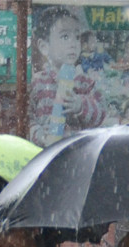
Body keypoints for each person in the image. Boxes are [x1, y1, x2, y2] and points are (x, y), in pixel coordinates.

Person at [28, 6, 104, 148]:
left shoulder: (85, 83)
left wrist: (81, 106)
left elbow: (100, 114)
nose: (73, 44)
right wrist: (39, 134)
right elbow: (27, 118)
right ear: (44, 47)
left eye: (77, 37)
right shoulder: (37, 82)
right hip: (44, 155)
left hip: (76, 153)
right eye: (65, 37)